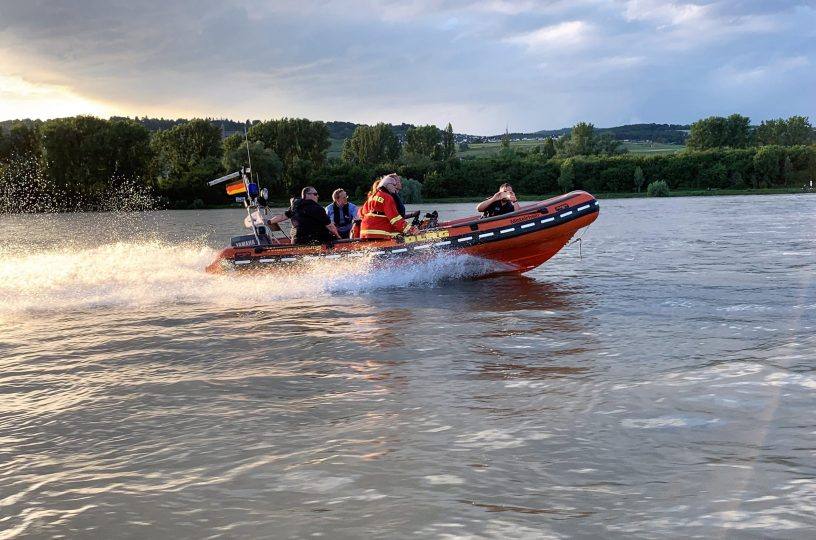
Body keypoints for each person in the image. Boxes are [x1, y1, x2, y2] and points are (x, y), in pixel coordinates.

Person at [267, 187, 339, 245]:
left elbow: (282, 217)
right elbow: (330, 226)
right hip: (314, 241)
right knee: (330, 236)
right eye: (315, 194)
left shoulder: (295, 206)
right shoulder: (317, 208)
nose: (317, 196)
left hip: (297, 241)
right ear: (307, 195)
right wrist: (339, 237)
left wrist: (269, 221)